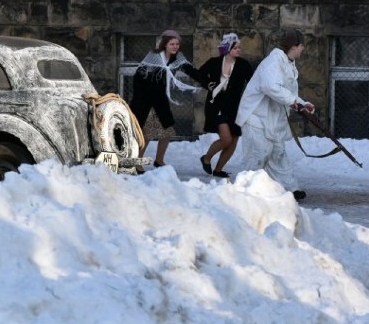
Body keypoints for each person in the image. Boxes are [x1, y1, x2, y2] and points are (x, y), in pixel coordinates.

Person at [235, 28, 314, 201]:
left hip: (272, 119)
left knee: (278, 154)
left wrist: (302, 104)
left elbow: (286, 91)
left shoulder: (287, 62)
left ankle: (290, 188)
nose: (303, 49)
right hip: (257, 118)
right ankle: (243, 190)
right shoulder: (273, 62)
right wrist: (292, 102)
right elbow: (270, 87)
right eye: (301, 46)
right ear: (294, 46)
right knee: (258, 154)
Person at [130, 30, 205, 169]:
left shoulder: (178, 59)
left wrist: (206, 82)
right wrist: (139, 98)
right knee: (147, 133)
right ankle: (137, 163)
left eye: (177, 44)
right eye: (172, 44)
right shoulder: (154, 56)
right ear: (165, 44)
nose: (175, 46)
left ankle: (159, 160)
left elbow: (192, 71)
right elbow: (138, 76)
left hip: (161, 100)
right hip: (146, 100)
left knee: (167, 131)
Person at [198, 33, 254, 178]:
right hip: (215, 106)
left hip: (235, 107)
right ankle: (206, 158)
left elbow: (253, 83)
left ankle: (218, 169)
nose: (239, 50)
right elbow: (200, 75)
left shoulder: (243, 65)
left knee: (233, 140)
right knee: (226, 138)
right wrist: (207, 84)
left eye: (239, 47)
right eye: (235, 47)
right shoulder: (214, 62)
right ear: (227, 48)